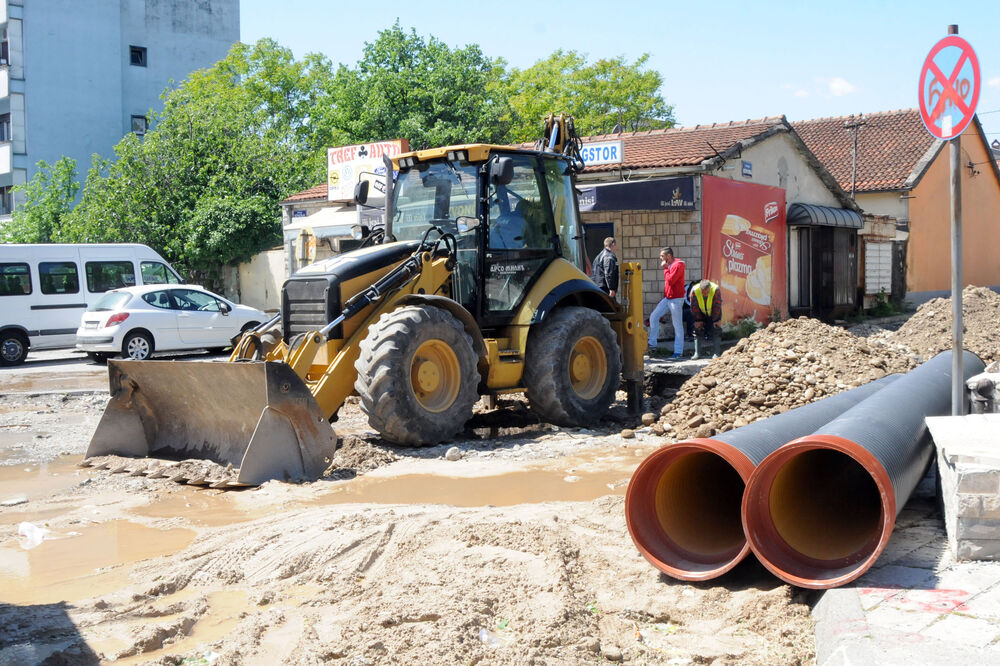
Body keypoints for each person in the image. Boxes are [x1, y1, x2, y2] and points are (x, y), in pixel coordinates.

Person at [647, 247, 686, 360]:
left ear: (668, 256)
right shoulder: (670, 265)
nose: (660, 258)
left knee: (677, 325)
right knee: (653, 317)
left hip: (676, 299)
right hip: (668, 298)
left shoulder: (678, 264)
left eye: (662, 256)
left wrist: (665, 268)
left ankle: (678, 352)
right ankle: (652, 344)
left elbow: (671, 281)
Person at [690, 278, 722, 360]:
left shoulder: (716, 289)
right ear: (700, 289)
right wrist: (698, 320)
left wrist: (716, 320)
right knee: (697, 328)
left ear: (710, 288)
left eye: (707, 292)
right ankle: (697, 353)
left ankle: (717, 353)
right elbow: (694, 306)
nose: (705, 294)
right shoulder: (694, 290)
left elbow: (717, 306)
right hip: (700, 311)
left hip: (713, 311)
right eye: (703, 292)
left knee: (716, 329)